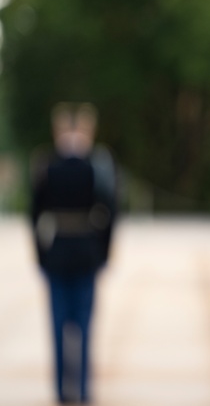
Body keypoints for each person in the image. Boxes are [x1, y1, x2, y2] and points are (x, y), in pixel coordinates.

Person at [30, 103, 117, 404]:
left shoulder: (46, 166)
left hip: (57, 253)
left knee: (58, 326)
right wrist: (104, 253)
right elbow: (110, 212)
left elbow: (35, 215)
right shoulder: (95, 168)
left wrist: (41, 255)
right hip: (86, 253)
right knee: (83, 326)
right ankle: (82, 390)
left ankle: (61, 392)